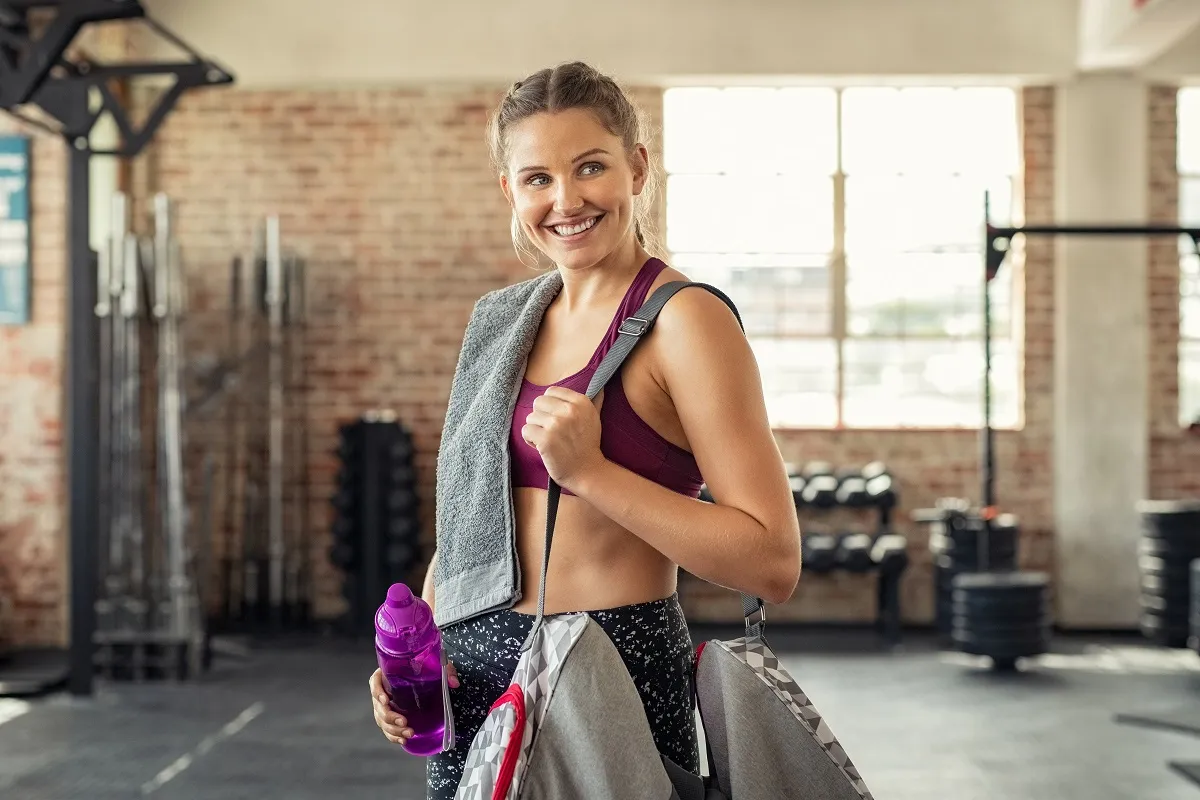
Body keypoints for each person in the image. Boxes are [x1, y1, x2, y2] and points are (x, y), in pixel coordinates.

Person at [368, 61, 802, 798]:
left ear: (637, 167)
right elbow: (475, 517)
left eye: (589, 167)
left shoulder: (685, 323)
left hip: (612, 670)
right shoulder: (503, 322)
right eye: (537, 179)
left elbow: (771, 561)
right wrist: (418, 655)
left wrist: (593, 473)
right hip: (471, 680)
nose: (565, 200)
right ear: (510, 192)